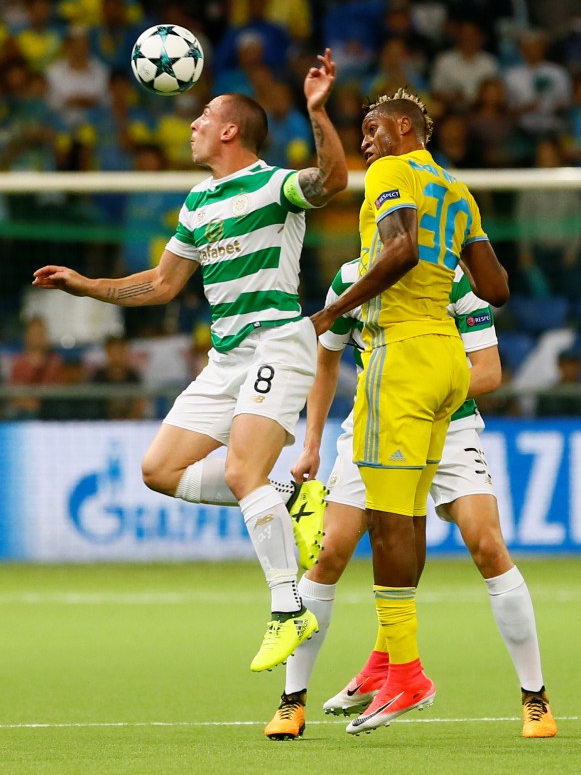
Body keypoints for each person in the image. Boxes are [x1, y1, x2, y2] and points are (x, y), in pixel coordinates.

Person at [32, 49, 348, 674]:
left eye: (204, 115)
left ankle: (288, 608)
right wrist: (85, 285)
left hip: (277, 343)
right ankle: (289, 496)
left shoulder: (274, 185)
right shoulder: (198, 202)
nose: (194, 123)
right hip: (226, 358)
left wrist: (316, 111)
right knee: (159, 469)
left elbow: (332, 181)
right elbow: (160, 284)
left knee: (241, 471)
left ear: (231, 129)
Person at [265, 260, 556, 741]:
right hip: (372, 425)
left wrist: (416, 391)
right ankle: (292, 701)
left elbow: (488, 372)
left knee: (488, 546)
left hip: (450, 425)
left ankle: (535, 697)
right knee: (329, 552)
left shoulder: (452, 280)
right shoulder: (350, 280)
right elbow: (326, 361)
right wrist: (311, 442)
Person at [309, 88, 509, 735]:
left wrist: (334, 311)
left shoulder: (391, 173)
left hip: (399, 355)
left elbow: (400, 251)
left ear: (403, 128)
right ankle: (386, 663)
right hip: (447, 361)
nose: (365, 142)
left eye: (372, 129)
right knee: (409, 513)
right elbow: (496, 287)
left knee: (387, 521)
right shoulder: (456, 188)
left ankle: (407, 673)